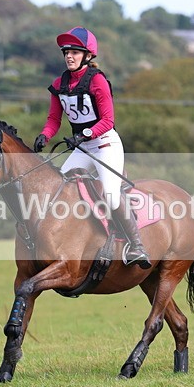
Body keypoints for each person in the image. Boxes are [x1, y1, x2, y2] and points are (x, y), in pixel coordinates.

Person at [33, 27, 151, 269]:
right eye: (66, 52)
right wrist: (44, 136)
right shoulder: (59, 84)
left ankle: (136, 245)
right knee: (59, 190)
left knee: (109, 194)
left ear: (87, 56)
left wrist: (85, 133)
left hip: (105, 144)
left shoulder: (97, 81)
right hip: (82, 147)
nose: (69, 56)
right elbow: (54, 120)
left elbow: (108, 120)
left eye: (75, 52)